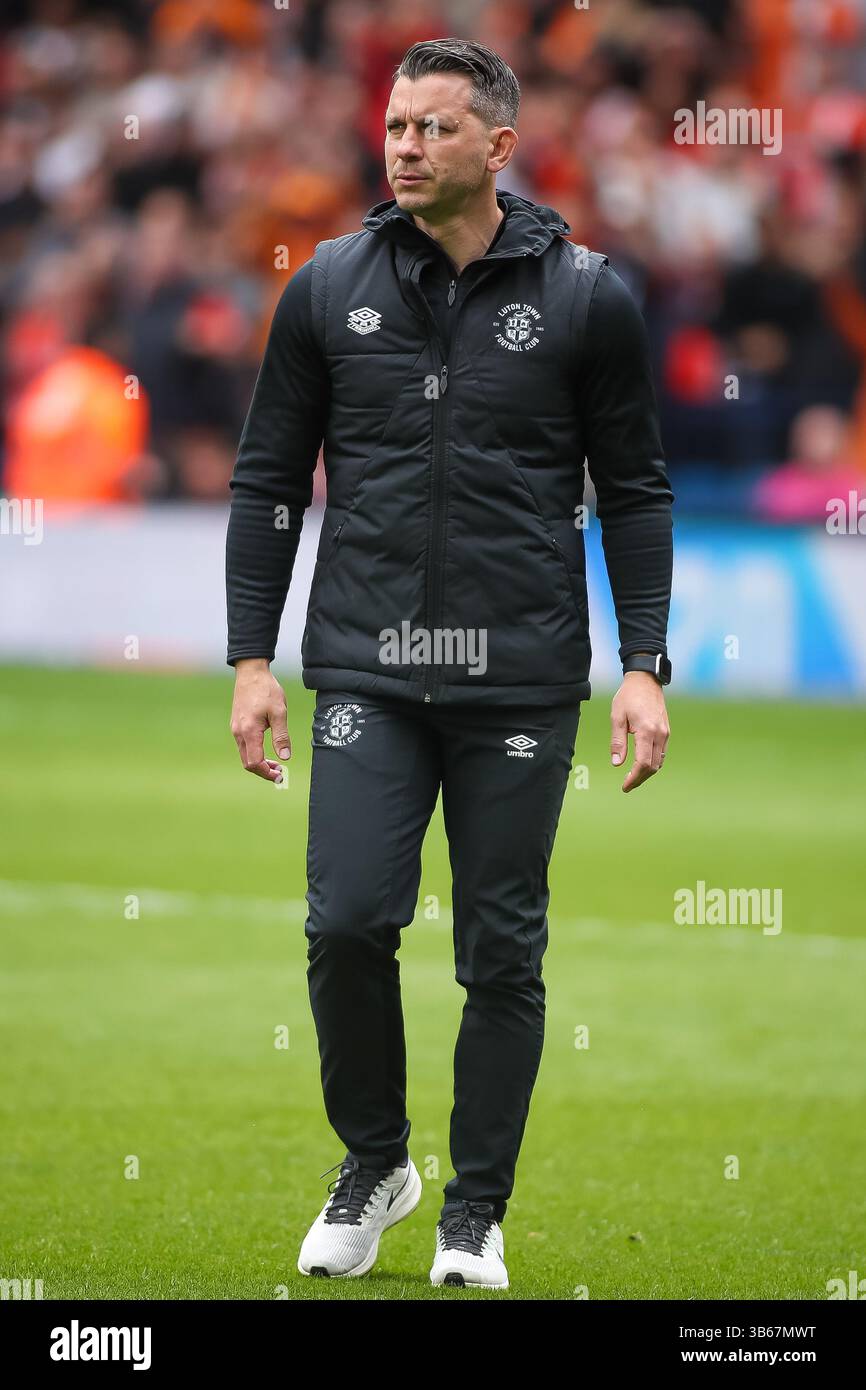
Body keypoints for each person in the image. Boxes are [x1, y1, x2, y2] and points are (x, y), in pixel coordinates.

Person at [226, 37, 673, 1290]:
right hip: (366, 667)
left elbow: (633, 491)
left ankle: (473, 1209)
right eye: (394, 124)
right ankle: (375, 1163)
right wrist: (249, 658)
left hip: (519, 676)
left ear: (496, 145)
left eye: (431, 126)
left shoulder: (587, 296)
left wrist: (643, 662)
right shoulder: (323, 286)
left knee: (500, 951)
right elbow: (267, 483)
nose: (404, 145)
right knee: (349, 921)